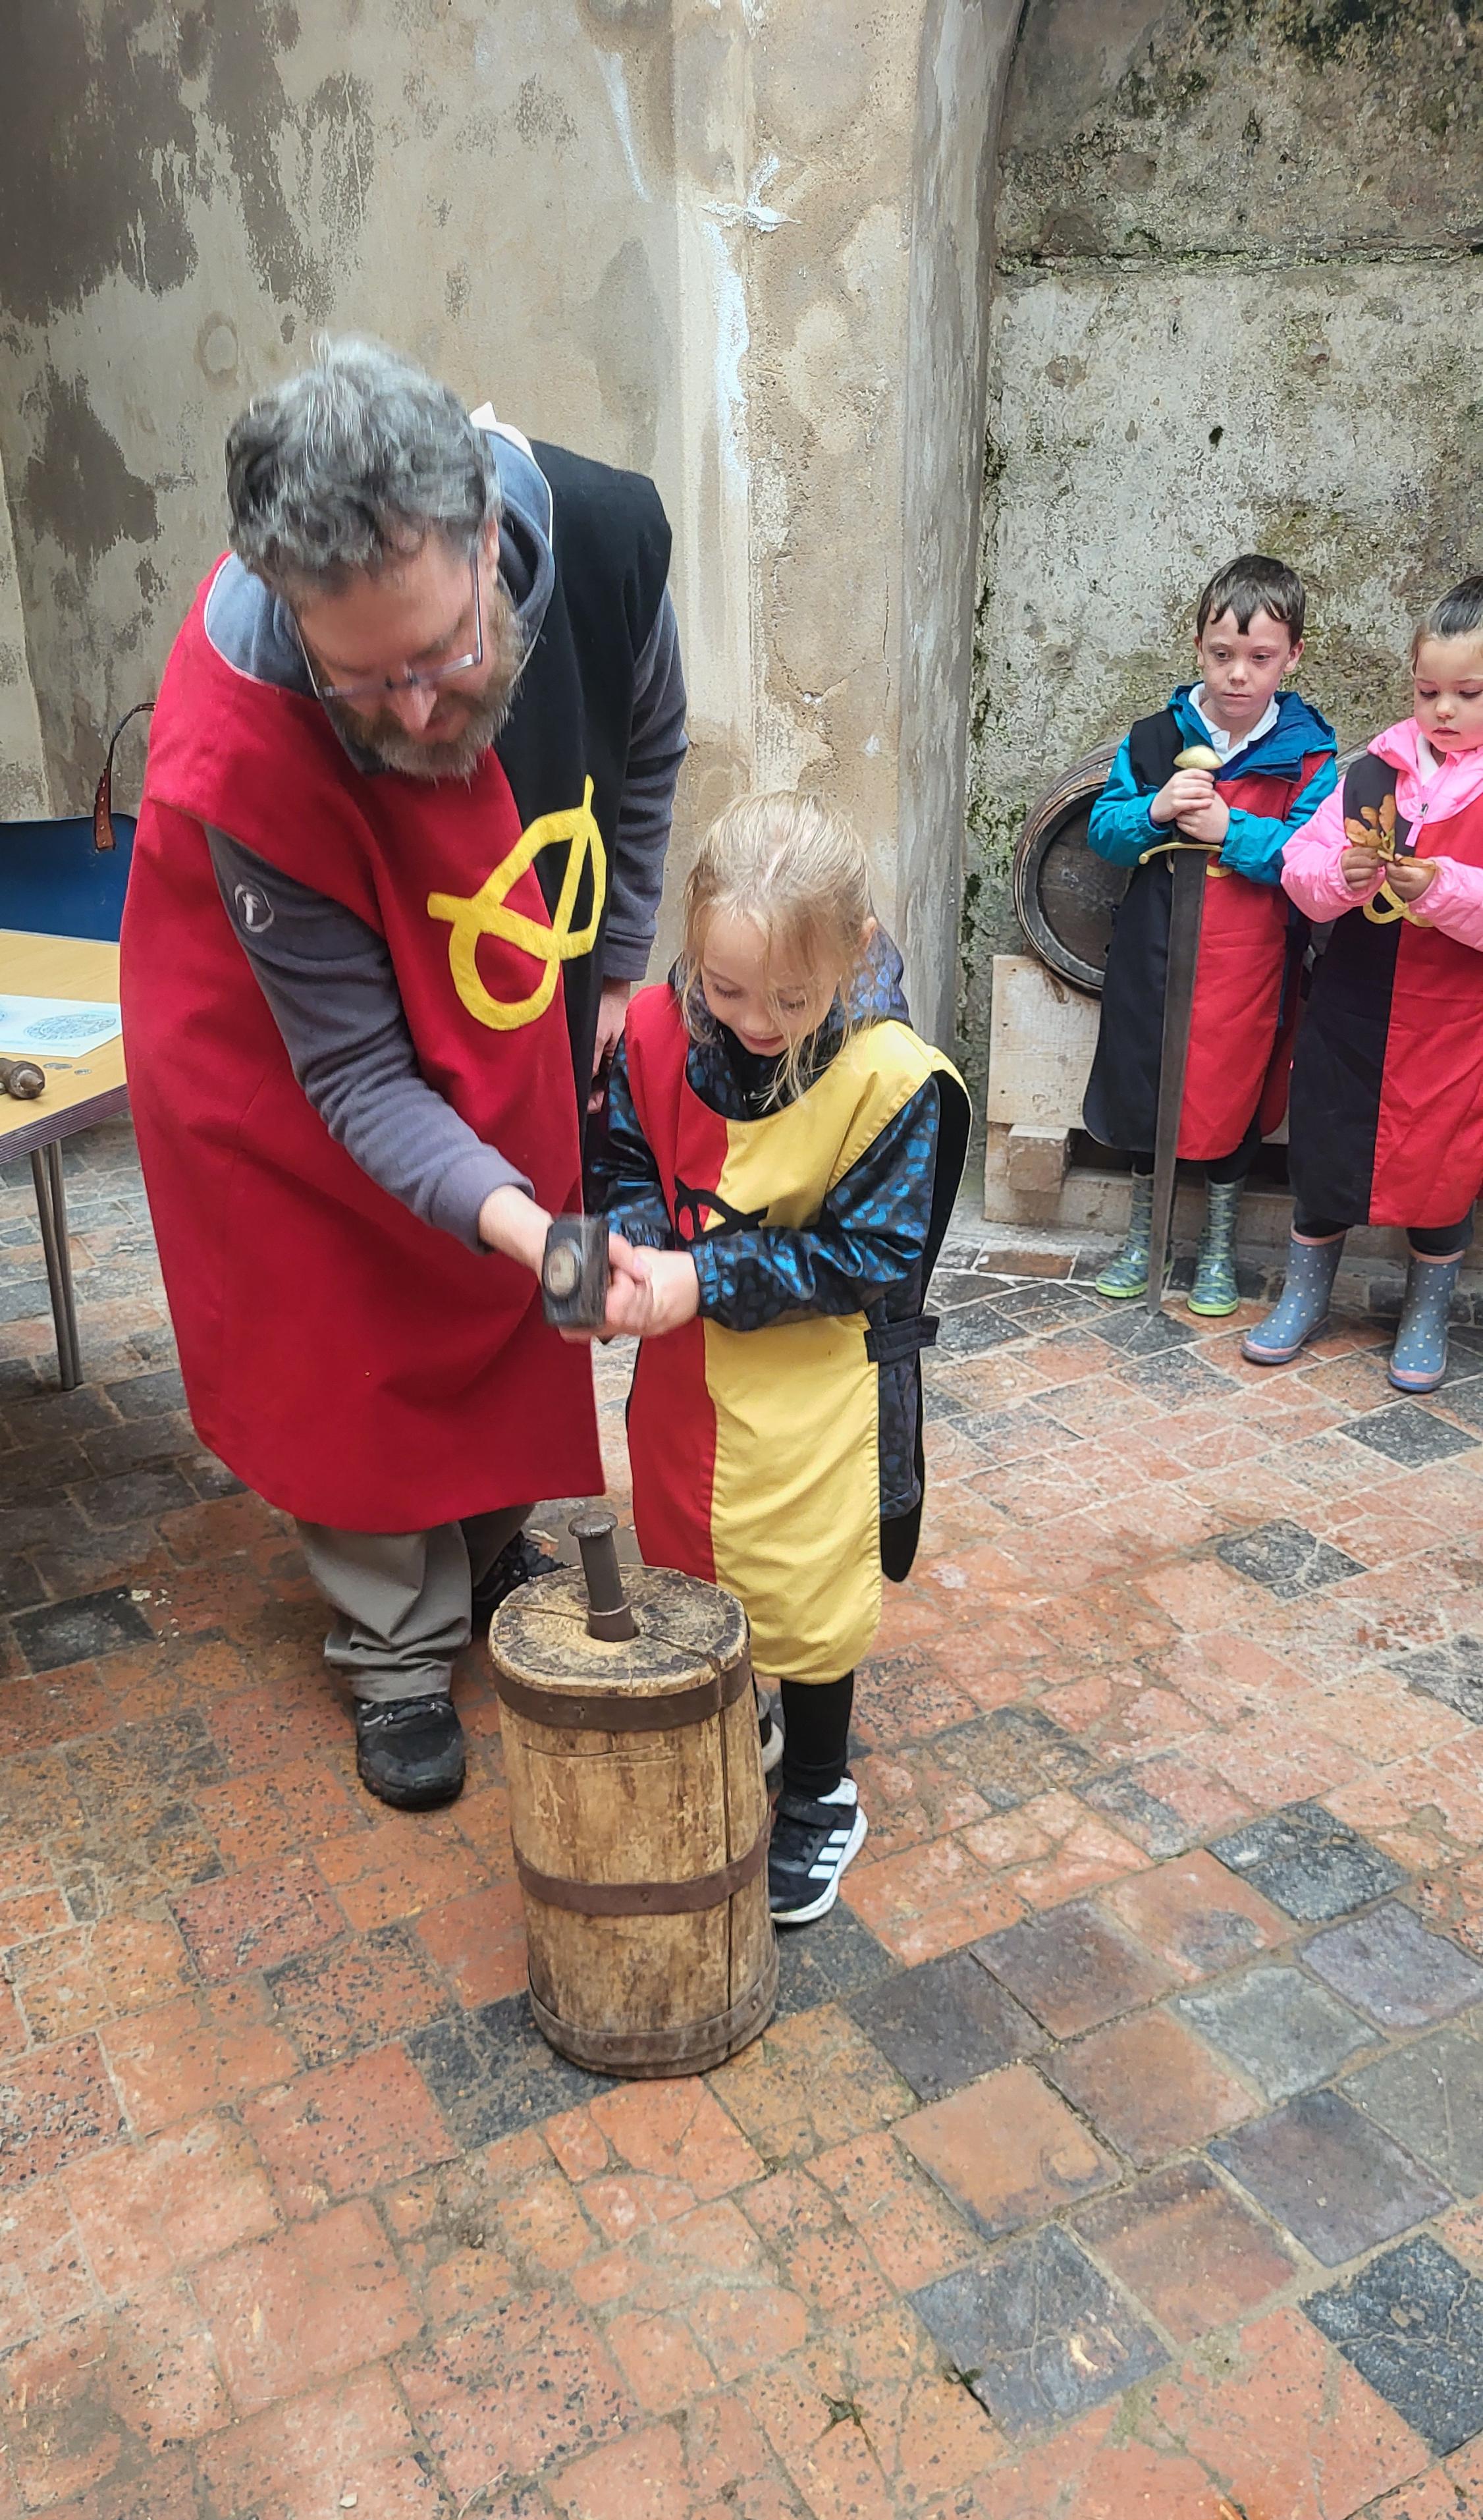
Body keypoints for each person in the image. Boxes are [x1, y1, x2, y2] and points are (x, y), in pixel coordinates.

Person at [120, 338, 686, 1809]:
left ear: (487, 541)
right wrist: (539, 1235)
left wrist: (618, 964)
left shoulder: (607, 537)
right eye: (362, 683)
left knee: (500, 1234)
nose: (420, 713)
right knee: (345, 1307)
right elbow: (361, 1085)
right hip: (269, 1040)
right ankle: (394, 1638)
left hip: (482, 953)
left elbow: (646, 743)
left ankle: (482, 1539)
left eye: (439, 656)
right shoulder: (243, 725)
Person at [591, 793, 970, 1924]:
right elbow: (625, 1159)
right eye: (728, 990)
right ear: (693, 941)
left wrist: (699, 1278)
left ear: (854, 950)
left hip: (816, 1394)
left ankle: (817, 1788)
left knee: (807, 1599)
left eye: (793, 999)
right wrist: (632, 1253)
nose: (758, 1021)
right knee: (692, 1559)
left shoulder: (892, 1079)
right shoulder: (655, 1030)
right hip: (685, 1383)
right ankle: (738, 1712)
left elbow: (873, 1256)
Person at [1245, 575, 1483, 1391]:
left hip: (1453, 1022)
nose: (1442, 709)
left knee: (1442, 1168)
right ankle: (1304, 1294)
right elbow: (1298, 869)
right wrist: (1339, 877)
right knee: (1326, 1148)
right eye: (1426, 691)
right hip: (1351, 1010)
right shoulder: (1370, 773)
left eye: (1467, 694)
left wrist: (1443, 888)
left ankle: (1424, 1313)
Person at [1083, 555, 1337, 1315]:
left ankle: (1218, 1246)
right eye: (1221, 654)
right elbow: (1103, 832)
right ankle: (1146, 1238)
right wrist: (1154, 810)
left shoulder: (1307, 754)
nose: (1237, 674)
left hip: (1250, 957)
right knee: (1145, 1080)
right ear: (1197, 646)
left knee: (1235, 1092)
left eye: (1258, 657)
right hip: (1155, 949)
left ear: (1291, 656)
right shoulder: (1153, 737)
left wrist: (1231, 828)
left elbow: (1306, 858)